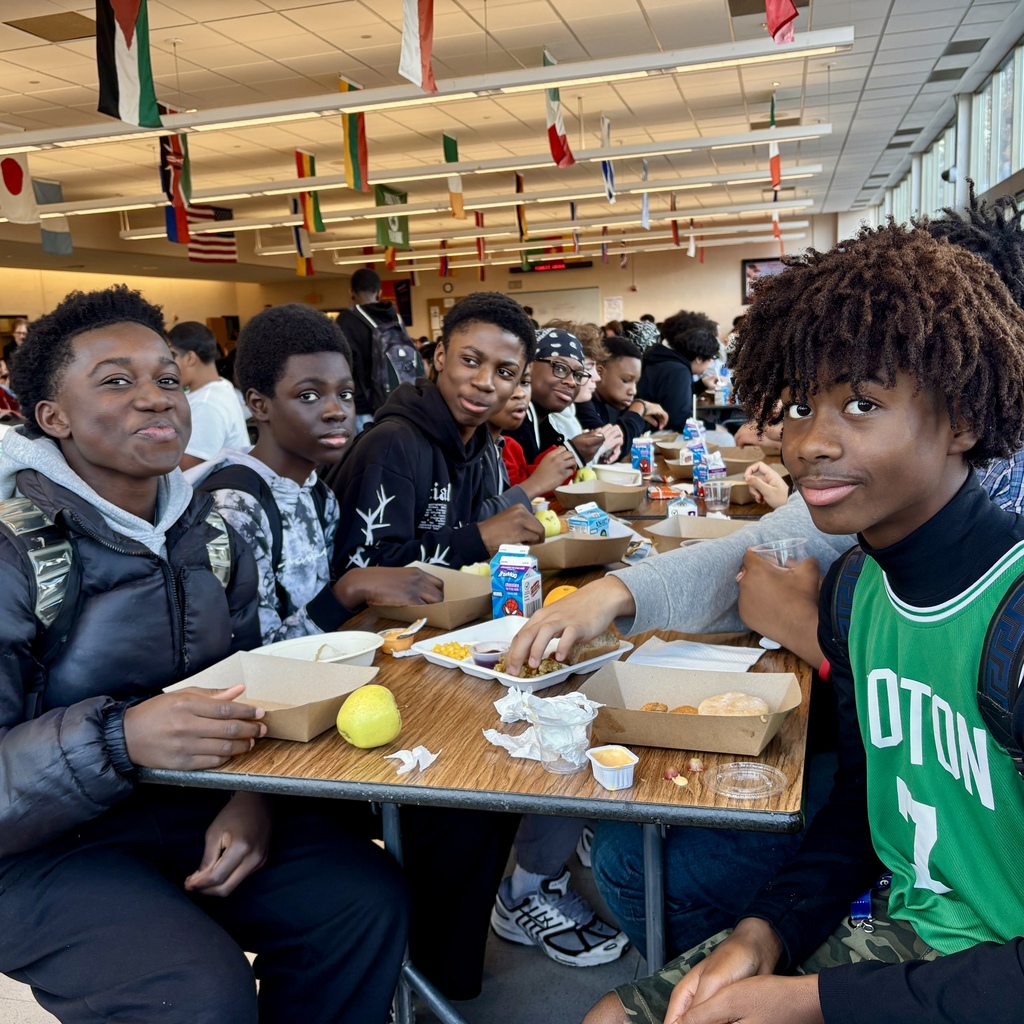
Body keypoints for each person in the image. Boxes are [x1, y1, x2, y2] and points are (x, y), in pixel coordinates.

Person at [588, 221, 1024, 1024]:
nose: (812, 443)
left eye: (862, 403)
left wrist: (816, 1002)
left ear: (962, 418)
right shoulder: (859, 591)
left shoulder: (1013, 617)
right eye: (796, 405)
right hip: (904, 932)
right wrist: (766, 933)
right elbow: (866, 802)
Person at [0, 285, 408, 1024]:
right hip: (38, 849)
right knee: (195, 992)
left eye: (165, 378)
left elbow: (255, 684)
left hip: (186, 807)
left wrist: (250, 799)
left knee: (361, 900)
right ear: (52, 417)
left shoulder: (211, 535)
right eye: (117, 381)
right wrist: (122, 738)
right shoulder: (13, 549)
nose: (155, 399)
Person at [185, 303, 443, 644]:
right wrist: (348, 590)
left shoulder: (318, 494)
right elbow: (245, 654)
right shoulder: (235, 508)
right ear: (259, 405)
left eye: (345, 394)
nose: (336, 411)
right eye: (309, 395)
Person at [328, 291, 546, 572]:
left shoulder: (478, 444)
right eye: (470, 360)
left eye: (505, 372)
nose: (484, 382)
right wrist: (478, 538)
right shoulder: (392, 443)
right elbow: (360, 569)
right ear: (441, 356)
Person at [502, 326, 607, 470]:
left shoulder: (547, 425)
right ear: (529, 366)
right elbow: (512, 487)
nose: (571, 382)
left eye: (577, 375)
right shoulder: (511, 420)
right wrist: (571, 455)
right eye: (560, 368)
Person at [480, 368, 578, 518]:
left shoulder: (499, 445)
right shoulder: (467, 450)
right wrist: (536, 484)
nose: (520, 393)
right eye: (505, 377)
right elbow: (472, 520)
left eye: (525, 382)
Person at [167, 320, 249, 470]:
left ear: (190, 358)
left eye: (172, 356)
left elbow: (187, 469)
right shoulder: (221, 385)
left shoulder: (206, 403)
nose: (167, 365)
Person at [335, 268, 405, 430]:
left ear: (351, 292)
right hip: (397, 402)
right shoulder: (395, 318)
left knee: (365, 453)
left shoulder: (346, 320)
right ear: (379, 292)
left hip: (362, 406)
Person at [577, 335, 670, 454]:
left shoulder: (610, 403)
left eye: (635, 382)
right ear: (600, 372)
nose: (633, 391)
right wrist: (638, 409)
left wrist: (637, 416)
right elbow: (609, 447)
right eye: (626, 380)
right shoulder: (582, 402)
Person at [637, 314, 721, 433]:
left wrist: (701, 384)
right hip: (654, 432)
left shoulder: (664, 359)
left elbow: (670, 397)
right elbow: (678, 420)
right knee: (724, 438)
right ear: (699, 358)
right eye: (711, 358)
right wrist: (714, 428)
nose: (711, 362)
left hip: (644, 428)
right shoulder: (678, 370)